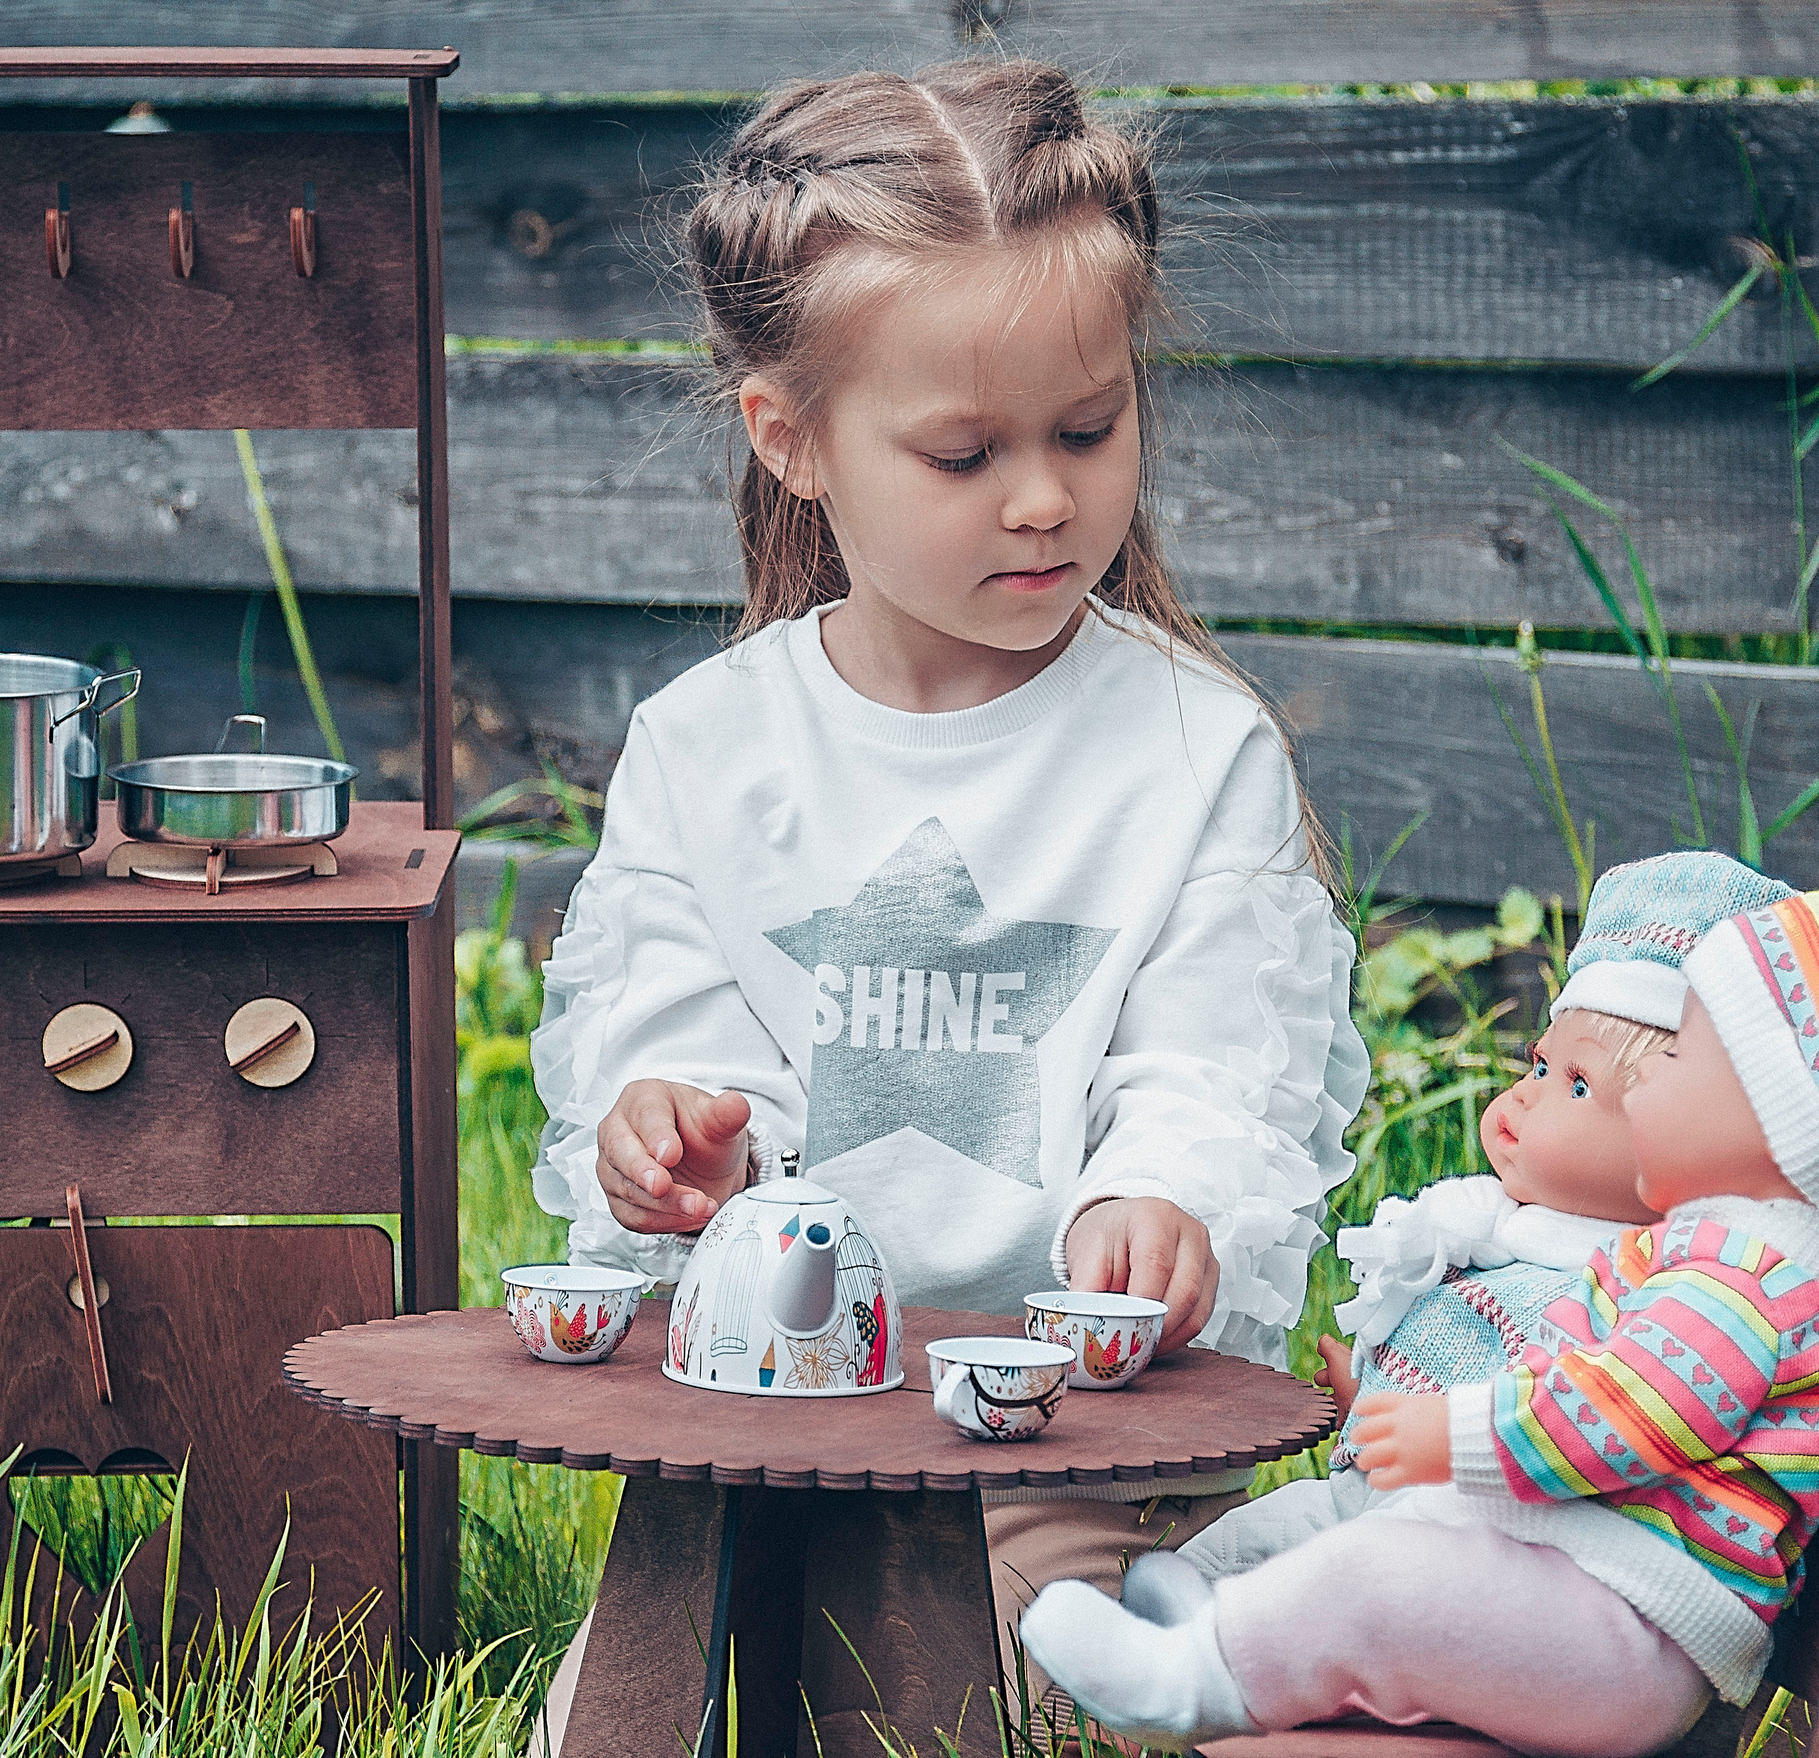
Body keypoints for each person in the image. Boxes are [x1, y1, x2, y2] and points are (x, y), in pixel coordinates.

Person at [524, 59, 1372, 1745]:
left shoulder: (1190, 746)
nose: (1047, 496)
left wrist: (1163, 1193)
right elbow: (672, 1015)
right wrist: (673, 1128)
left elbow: (1217, 1056)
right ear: (796, 440)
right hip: (782, 1429)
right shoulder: (711, 748)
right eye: (968, 450)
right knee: (654, 1715)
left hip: (1066, 1447)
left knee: (1065, 1704)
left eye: (1089, 426)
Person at [1021, 889, 1819, 1757]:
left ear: (1783, 1120)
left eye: (1682, 1060)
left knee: (1390, 1573)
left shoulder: (1740, 1280)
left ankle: (1189, 1677)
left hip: (1623, 1637)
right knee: (1394, 1552)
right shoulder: (1748, 1255)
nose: (1652, 1091)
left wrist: (1448, 1438)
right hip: (1601, 1609)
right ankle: (1236, 1636)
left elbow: (1630, 1412)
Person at [1181, 852, 1798, 1580]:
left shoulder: (1619, 1300)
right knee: (1214, 1554)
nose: (1527, 1094)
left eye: (1575, 1085)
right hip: (1375, 1503)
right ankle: (1174, 1630)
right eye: (1538, 1065)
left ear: (1678, 1137)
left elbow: (1562, 1427)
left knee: (1292, 1578)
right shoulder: (1506, 1241)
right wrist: (1376, 1398)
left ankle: (1214, 1651)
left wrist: (1426, 1434)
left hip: (1471, 1545)